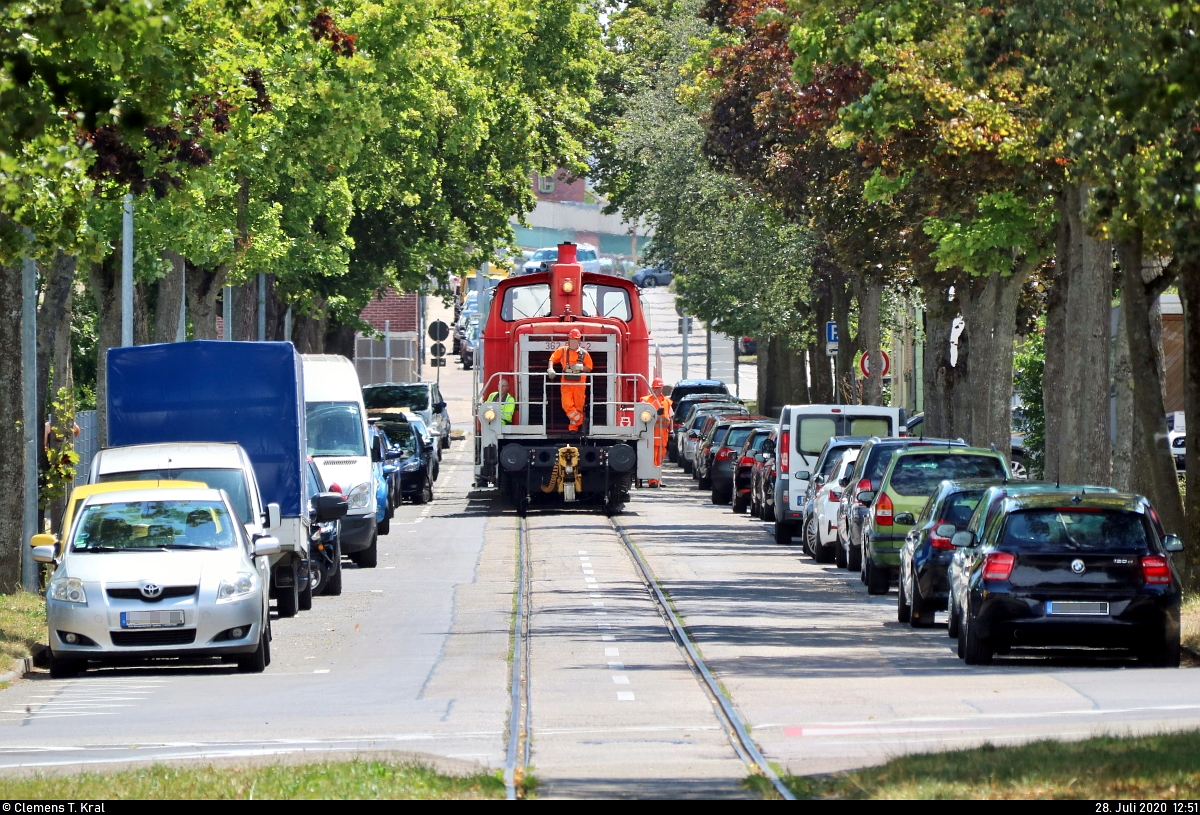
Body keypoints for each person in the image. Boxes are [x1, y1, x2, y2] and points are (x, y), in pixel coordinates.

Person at [548, 328, 593, 432]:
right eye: (571, 339)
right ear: (568, 340)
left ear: (579, 340)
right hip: (566, 383)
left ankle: (574, 428)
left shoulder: (584, 353)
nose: (573, 341)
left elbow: (589, 368)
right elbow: (552, 359)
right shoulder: (562, 351)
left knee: (579, 406)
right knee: (567, 405)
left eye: (575, 339)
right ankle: (581, 420)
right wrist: (550, 368)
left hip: (580, 383)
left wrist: (580, 367)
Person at [640, 378, 671, 486]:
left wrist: (671, 432)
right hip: (651, 435)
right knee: (652, 457)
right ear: (652, 388)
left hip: (663, 435)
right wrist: (655, 413)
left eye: (661, 387)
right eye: (657, 388)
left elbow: (670, 418)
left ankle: (658, 478)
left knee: (660, 458)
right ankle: (652, 480)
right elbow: (642, 416)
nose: (659, 390)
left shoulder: (667, 402)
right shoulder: (646, 401)